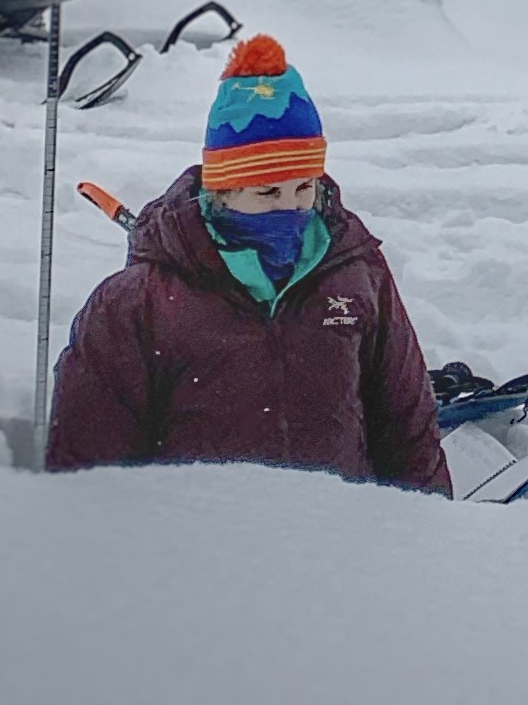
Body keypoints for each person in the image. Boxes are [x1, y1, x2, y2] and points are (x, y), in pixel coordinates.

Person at [46, 34, 451, 495]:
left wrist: (425, 539)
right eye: (267, 193)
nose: (292, 209)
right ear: (222, 191)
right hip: (193, 552)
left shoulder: (356, 273)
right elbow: (87, 464)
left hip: (338, 548)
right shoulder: (138, 303)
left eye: (304, 188)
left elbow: (407, 426)